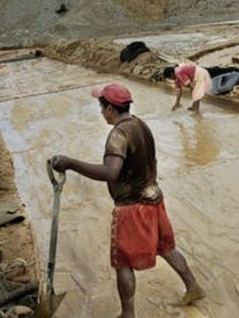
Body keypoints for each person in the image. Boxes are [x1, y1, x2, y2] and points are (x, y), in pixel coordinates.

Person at [49, 83, 205, 318]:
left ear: (110, 108)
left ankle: (127, 314)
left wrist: (71, 163)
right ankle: (193, 287)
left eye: (101, 108)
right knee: (166, 247)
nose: (101, 113)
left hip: (133, 206)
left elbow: (110, 173)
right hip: (154, 198)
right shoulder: (140, 125)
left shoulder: (118, 134)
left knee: (122, 261)